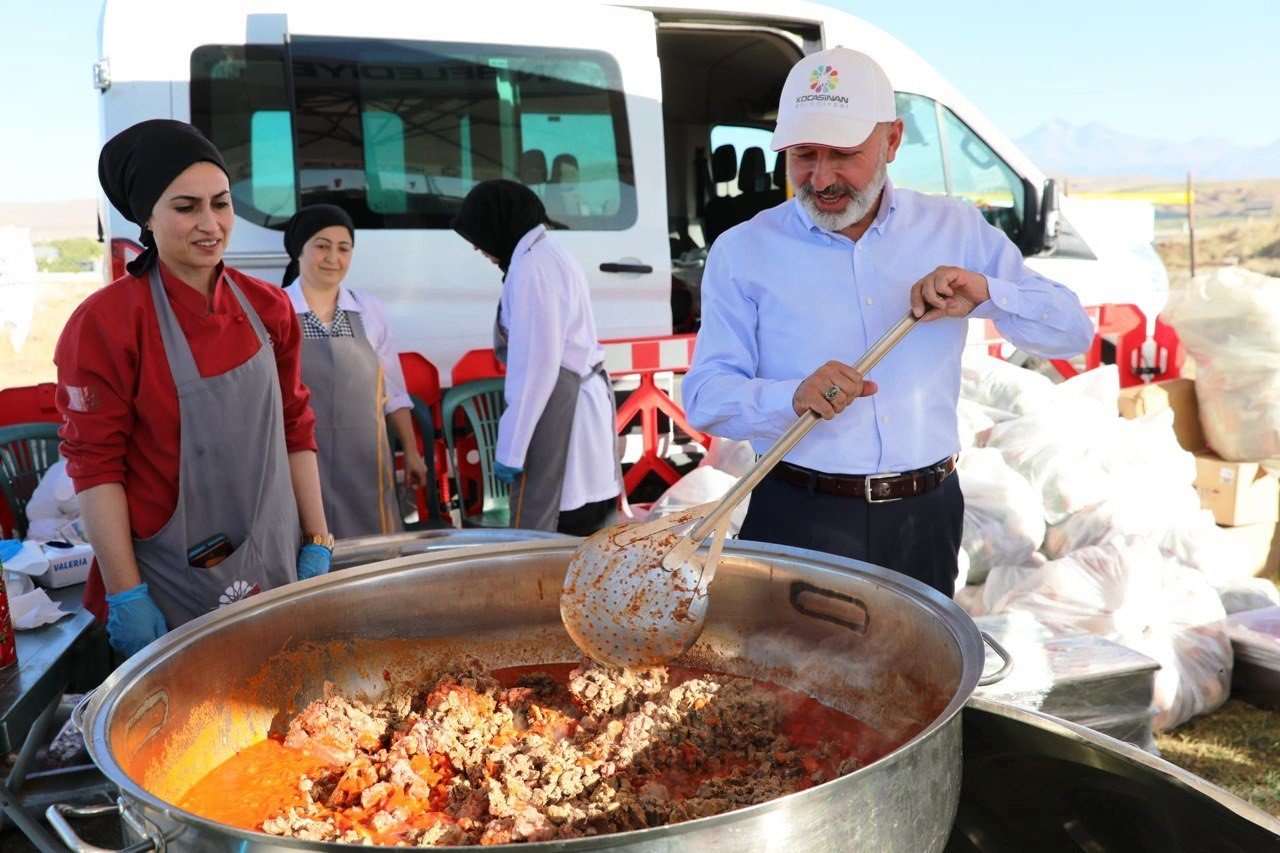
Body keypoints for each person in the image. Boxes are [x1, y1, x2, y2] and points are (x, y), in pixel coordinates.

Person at [683, 47, 1095, 597]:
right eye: (803, 154)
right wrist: (791, 396)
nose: (821, 177)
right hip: (799, 514)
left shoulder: (956, 229)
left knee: (920, 682)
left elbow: (1073, 330)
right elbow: (707, 396)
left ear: (892, 141)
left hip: (926, 517)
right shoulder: (743, 250)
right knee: (797, 679)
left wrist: (988, 293)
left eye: (843, 154)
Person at [56, 120, 333, 658]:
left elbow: (296, 427)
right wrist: (126, 592)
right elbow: (96, 467)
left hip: (274, 562)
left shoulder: (267, 308)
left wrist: (317, 540)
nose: (211, 224)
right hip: (166, 581)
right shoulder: (107, 325)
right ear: (147, 218)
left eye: (221, 203)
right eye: (186, 208)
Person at [451, 180, 620, 535]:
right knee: (585, 523)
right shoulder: (548, 254)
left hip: (559, 406)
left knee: (547, 531)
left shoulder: (533, 269)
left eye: (478, 236)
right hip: (574, 404)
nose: (477, 248)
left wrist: (510, 452)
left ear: (499, 224)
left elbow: (536, 370)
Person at [281, 205, 428, 539]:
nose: (333, 257)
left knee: (375, 554)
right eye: (322, 245)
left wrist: (412, 453)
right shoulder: (277, 309)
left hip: (367, 463)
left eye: (343, 248)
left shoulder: (368, 310)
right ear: (299, 251)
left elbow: (393, 391)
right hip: (302, 463)